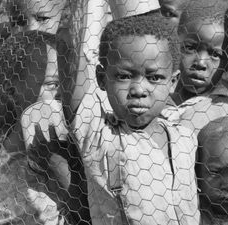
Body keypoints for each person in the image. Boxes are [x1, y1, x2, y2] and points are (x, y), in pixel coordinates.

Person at [71, 13, 200, 225]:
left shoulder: (186, 140)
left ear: (173, 81)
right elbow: (71, 66)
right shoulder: (98, 135)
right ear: (102, 79)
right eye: (124, 76)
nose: (139, 89)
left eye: (154, 77)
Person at [0, 31, 88, 225]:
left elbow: (96, 213)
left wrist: (59, 168)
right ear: (10, 90)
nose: (63, 93)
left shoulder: (81, 148)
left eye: (68, 83)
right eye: (52, 84)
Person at [164, 0, 228, 135]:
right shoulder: (158, 91)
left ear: (227, 63)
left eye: (215, 55)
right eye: (190, 48)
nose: (200, 63)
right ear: (175, 46)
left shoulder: (226, 113)